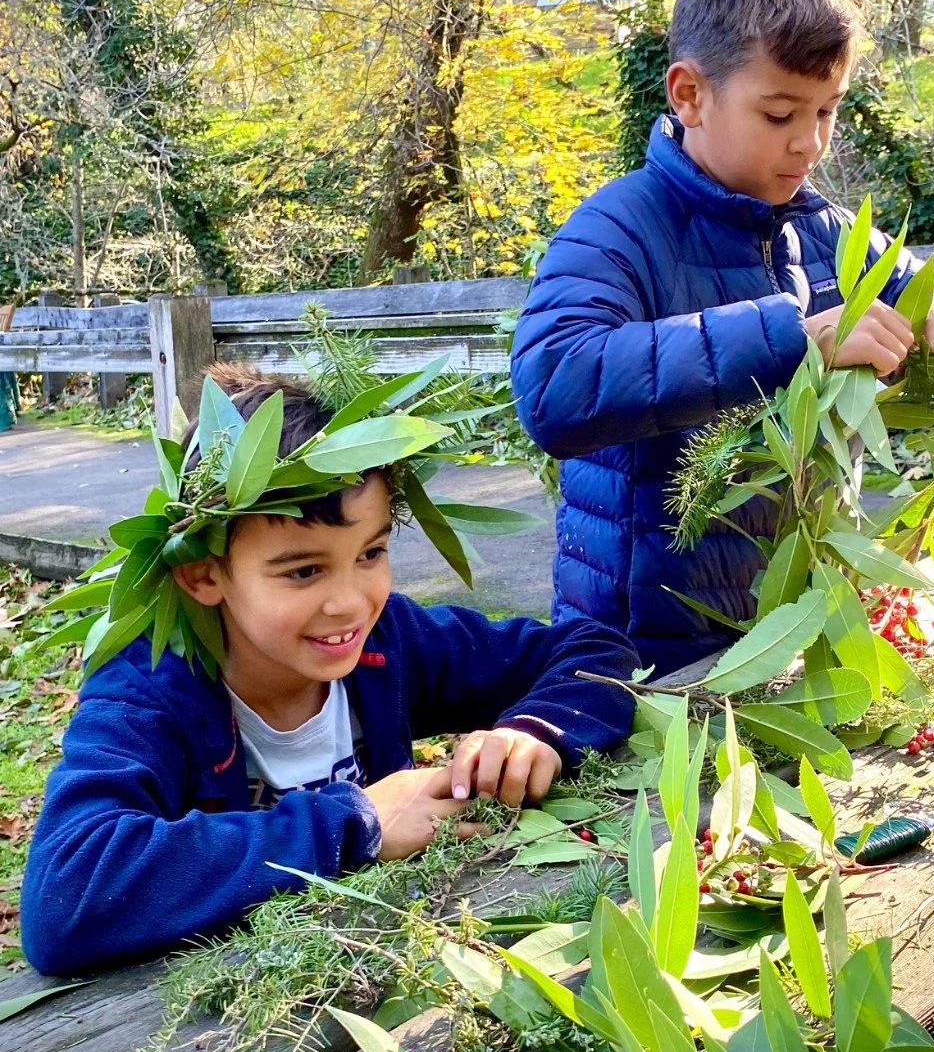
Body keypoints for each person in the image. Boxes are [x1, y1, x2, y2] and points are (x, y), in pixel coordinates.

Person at [21, 365, 636, 975]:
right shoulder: (151, 689)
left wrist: (535, 733)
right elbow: (67, 893)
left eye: (370, 553)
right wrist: (355, 823)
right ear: (204, 575)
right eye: (303, 571)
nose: (351, 602)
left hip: (393, 963)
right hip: (220, 1025)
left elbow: (595, 653)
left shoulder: (390, 642)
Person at [510, 0, 934, 677]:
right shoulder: (616, 228)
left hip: (794, 640)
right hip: (637, 665)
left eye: (827, 111)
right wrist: (790, 339)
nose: (810, 144)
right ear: (690, 94)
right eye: (780, 115)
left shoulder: (833, 234)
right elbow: (554, 387)